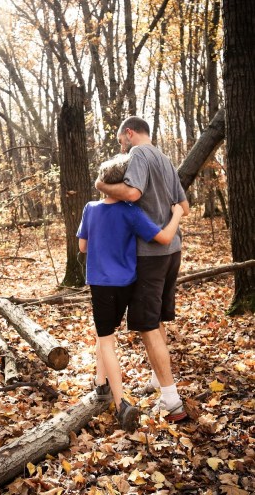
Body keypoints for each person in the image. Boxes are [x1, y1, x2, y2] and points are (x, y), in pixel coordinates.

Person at [77, 153, 184, 432]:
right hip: (127, 284)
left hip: (100, 284)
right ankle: (100, 382)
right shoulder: (131, 211)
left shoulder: (90, 208)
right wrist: (176, 214)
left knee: (106, 339)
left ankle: (120, 402)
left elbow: (82, 247)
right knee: (105, 333)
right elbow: (164, 237)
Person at [95, 116, 190, 423]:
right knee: (157, 318)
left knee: (148, 326)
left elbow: (133, 193)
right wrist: (172, 218)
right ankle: (157, 380)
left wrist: (101, 185)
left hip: (151, 254)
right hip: (172, 250)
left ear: (130, 133)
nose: (121, 147)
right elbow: (184, 208)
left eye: (120, 140)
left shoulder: (138, 153)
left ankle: (172, 401)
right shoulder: (165, 159)